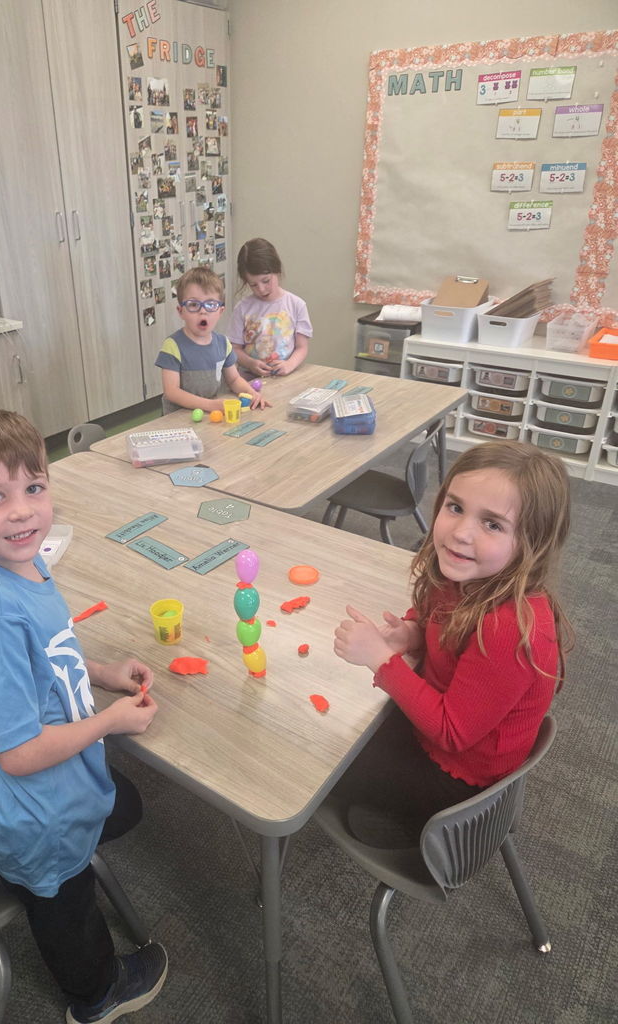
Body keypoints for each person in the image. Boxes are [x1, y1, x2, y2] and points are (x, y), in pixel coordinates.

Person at [0, 408, 168, 1024]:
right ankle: (96, 994)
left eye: (34, 487)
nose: (24, 511)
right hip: (35, 806)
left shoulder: (19, 561)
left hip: (40, 785)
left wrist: (103, 673)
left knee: (124, 803)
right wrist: (109, 721)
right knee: (64, 898)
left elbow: (50, 651)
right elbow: (19, 754)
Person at [332, 440, 573, 848]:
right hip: (441, 729)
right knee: (344, 730)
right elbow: (431, 615)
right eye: (455, 507)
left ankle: (416, 828)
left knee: (327, 766)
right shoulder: (464, 573)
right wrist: (411, 633)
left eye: (493, 524)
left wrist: (381, 658)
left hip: (457, 777)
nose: (460, 533)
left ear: (533, 544)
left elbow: (452, 733)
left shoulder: (509, 628)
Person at [156, 266, 269, 413]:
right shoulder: (172, 346)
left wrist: (252, 394)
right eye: (193, 305)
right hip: (179, 421)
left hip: (210, 417)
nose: (203, 311)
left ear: (220, 311)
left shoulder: (223, 344)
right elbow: (172, 392)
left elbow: (234, 380)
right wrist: (210, 405)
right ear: (181, 311)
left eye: (210, 304)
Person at [230, 237, 313, 377]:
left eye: (266, 281)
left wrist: (289, 365)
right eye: (253, 285)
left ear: (277, 270)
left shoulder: (296, 305)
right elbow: (234, 348)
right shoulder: (242, 308)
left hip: (285, 378)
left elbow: (302, 347)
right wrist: (250, 363)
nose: (261, 289)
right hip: (249, 381)